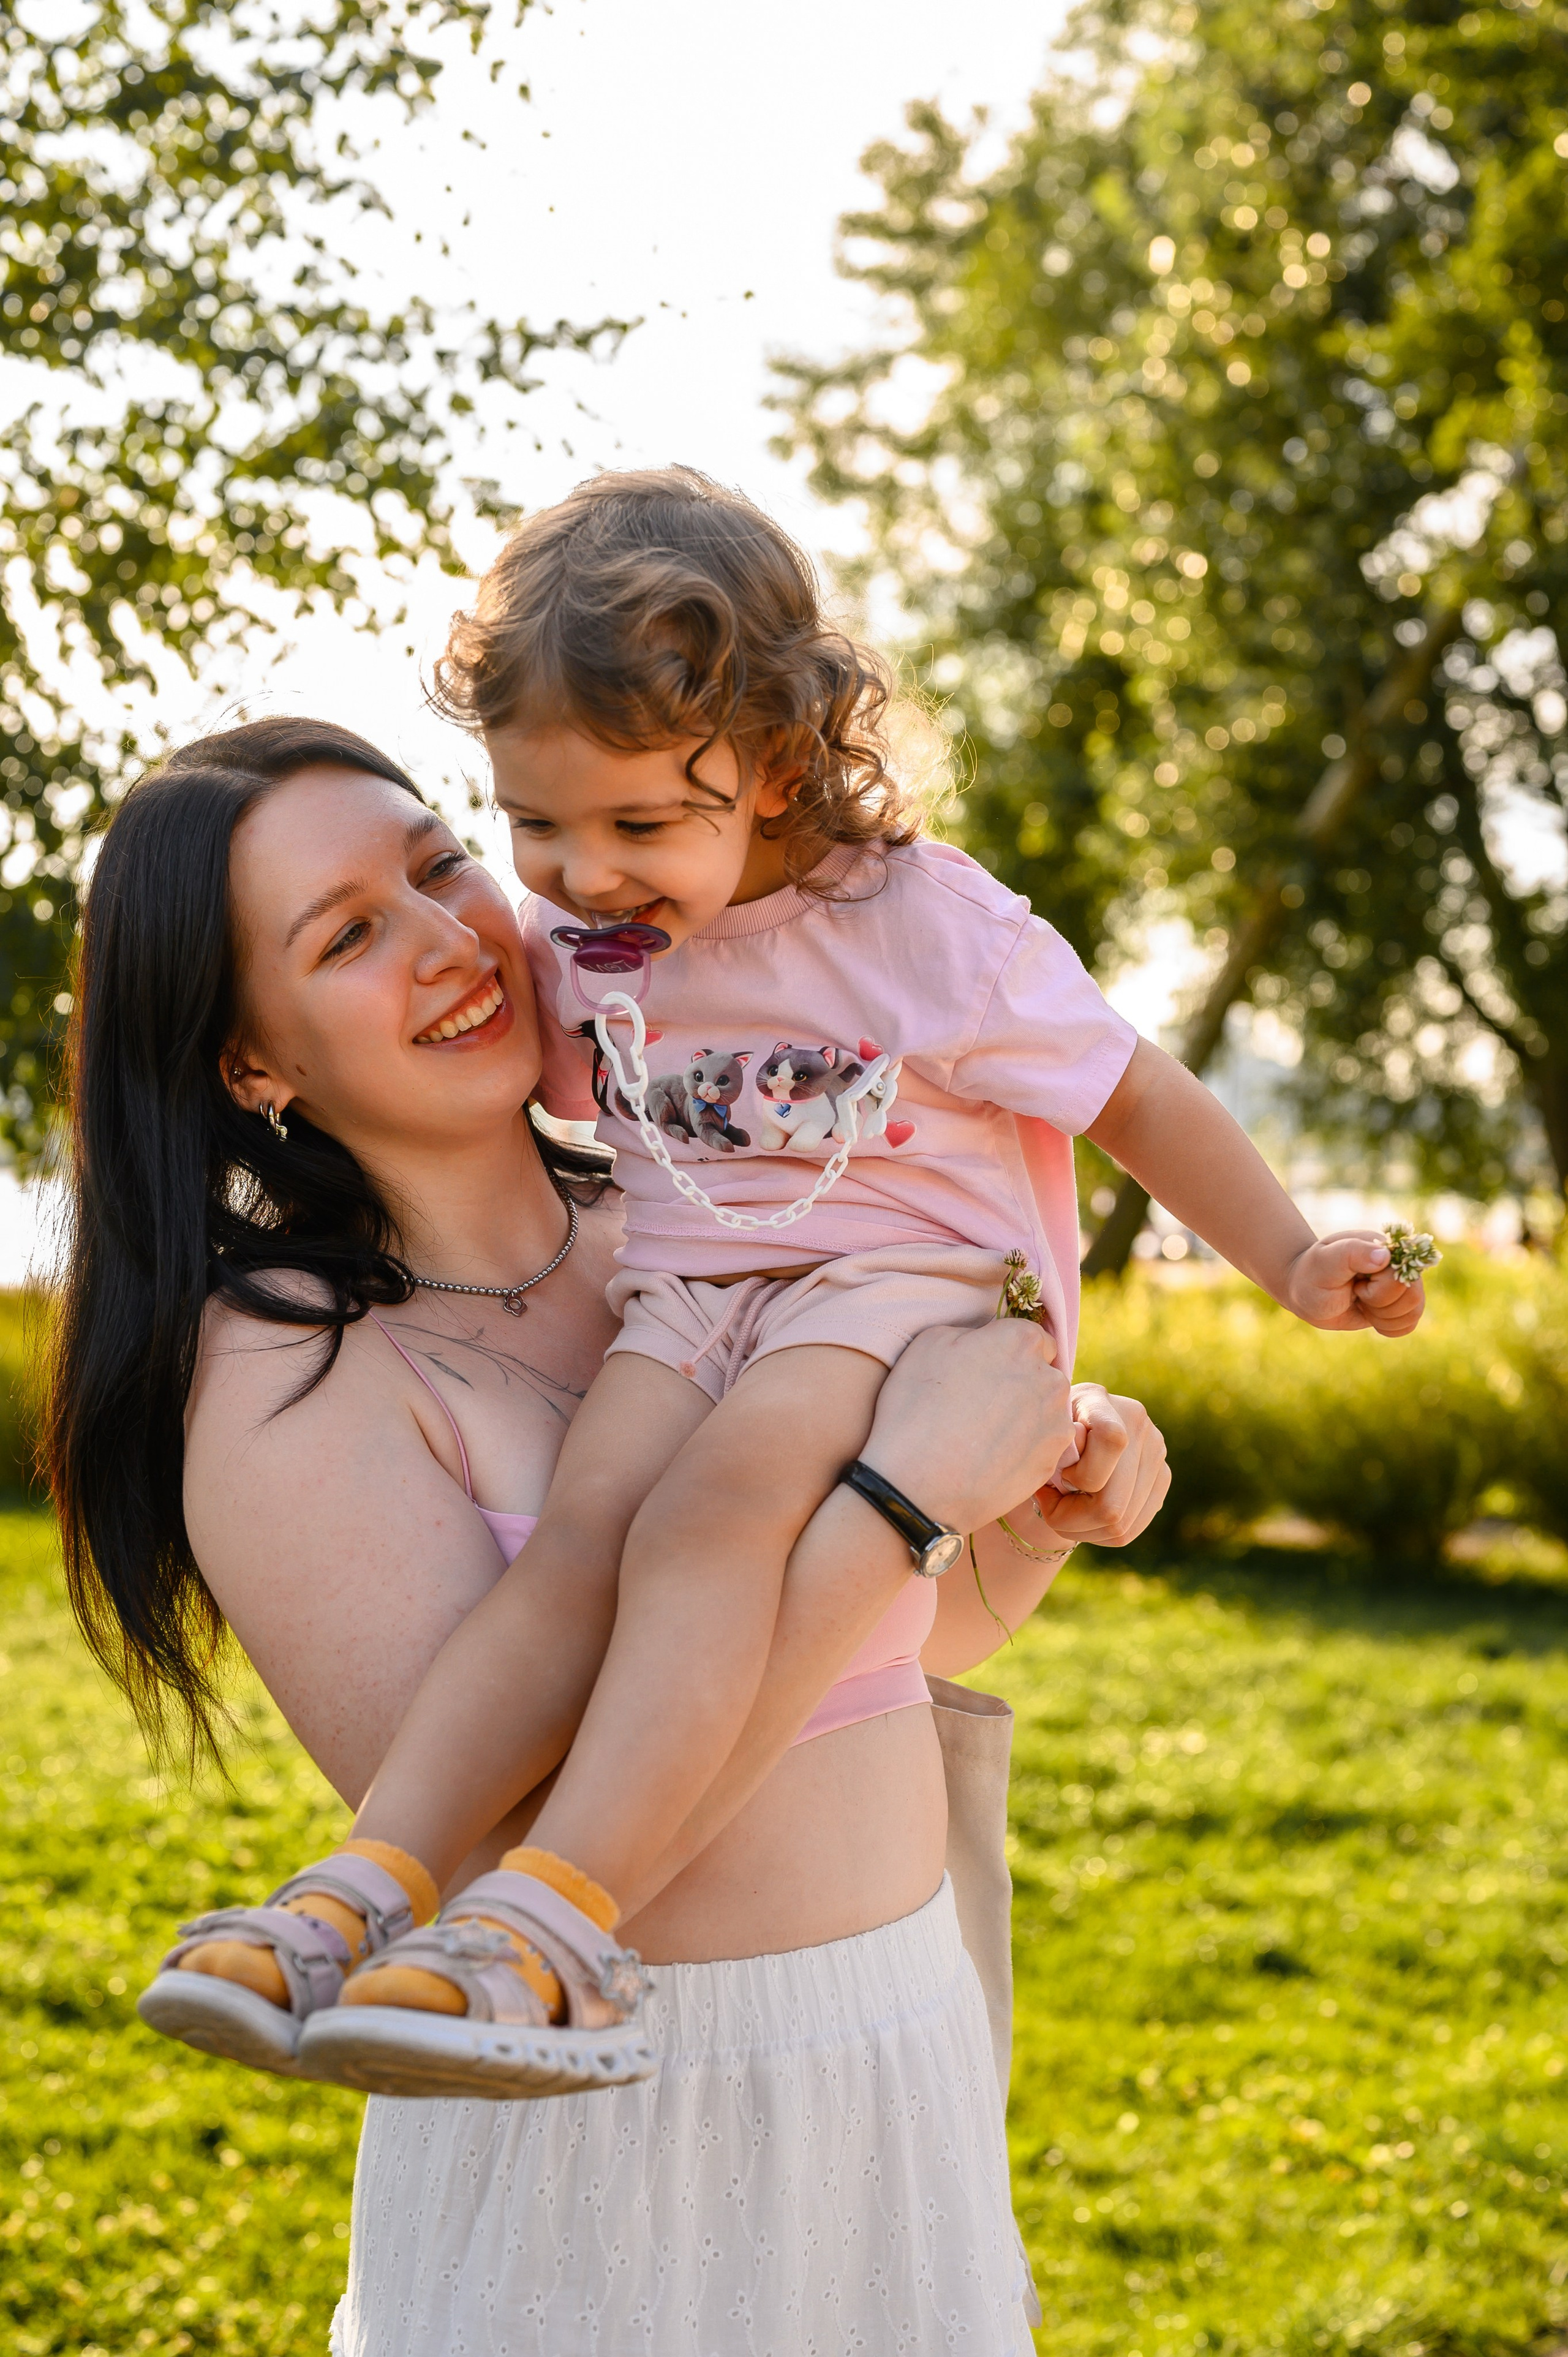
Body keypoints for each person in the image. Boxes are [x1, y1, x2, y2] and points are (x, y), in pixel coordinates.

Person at [145, 472, 1429, 2104]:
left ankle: (558, 1909)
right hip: (700, 1299)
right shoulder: (576, 966)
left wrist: (1291, 1257)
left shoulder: (920, 925)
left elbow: (1134, 1094)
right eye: (533, 825)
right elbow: (553, 1067)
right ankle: (364, 1884)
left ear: (772, 764)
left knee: (700, 1523)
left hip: (884, 1286)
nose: (575, 879)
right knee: (586, 1545)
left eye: (631, 827)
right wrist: (950, 1505)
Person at [49, 718, 1169, 2351]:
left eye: (439, 865)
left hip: (900, 2062)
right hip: (610, 2132)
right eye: (348, 936)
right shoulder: (290, 1367)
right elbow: (521, 1847)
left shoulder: (700, 1204)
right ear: (249, 1067)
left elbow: (884, 1658)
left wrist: (1033, 1506)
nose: (446, 939)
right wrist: (903, 1502)